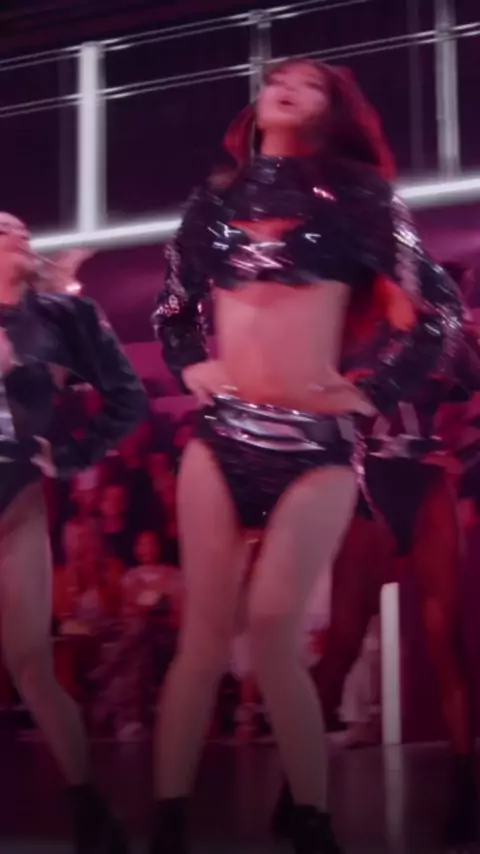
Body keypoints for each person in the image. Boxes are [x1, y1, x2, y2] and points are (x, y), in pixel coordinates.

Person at [151, 60, 464, 854]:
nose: (285, 85)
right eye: (277, 77)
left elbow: (439, 312)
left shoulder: (361, 200)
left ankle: (312, 822)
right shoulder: (212, 202)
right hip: (221, 439)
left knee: (275, 628)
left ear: (330, 111)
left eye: (309, 83)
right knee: (201, 640)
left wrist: (375, 388)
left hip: (316, 444)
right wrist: (189, 364)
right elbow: (174, 311)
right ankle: (169, 822)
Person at [273, 261, 480, 850]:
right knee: (340, 646)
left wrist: (464, 459)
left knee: (445, 643)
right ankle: (295, 790)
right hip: (370, 489)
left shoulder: (448, 340)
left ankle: (466, 791)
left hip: (424, 485)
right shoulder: (353, 329)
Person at [0, 212, 147, 853]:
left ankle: (89, 808)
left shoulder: (63, 318)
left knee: (32, 662)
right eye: (1, 227)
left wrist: (72, 456)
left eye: (20, 228)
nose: (16, 230)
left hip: (17, 498)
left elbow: (128, 399)